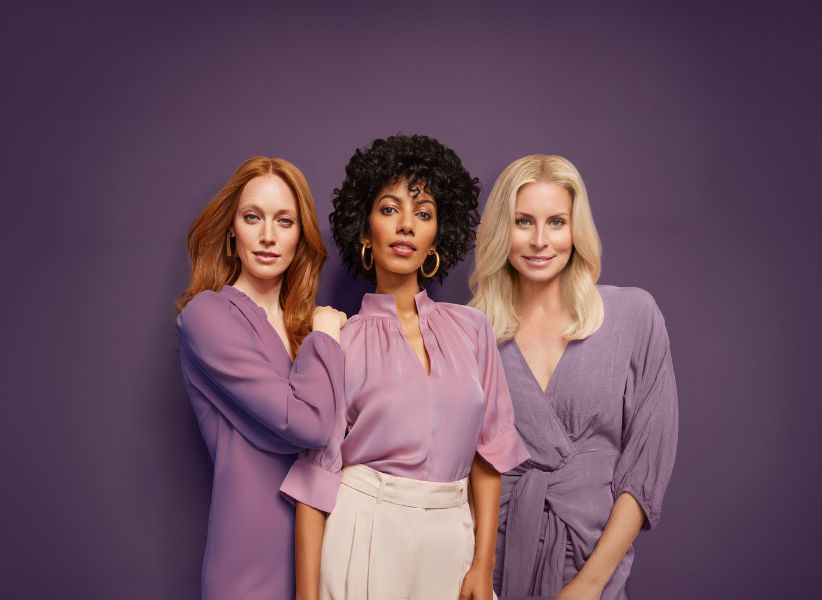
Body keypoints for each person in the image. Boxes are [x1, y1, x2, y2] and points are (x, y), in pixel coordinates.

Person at [280, 134, 530, 600]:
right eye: (390, 209)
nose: (406, 226)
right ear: (364, 230)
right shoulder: (342, 342)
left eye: (423, 213)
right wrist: (306, 598)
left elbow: (489, 456)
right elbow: (317, 478)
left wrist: (483, 564)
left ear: (438, 234)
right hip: (366, 529)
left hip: (452, 537)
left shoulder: (473, 330)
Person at [470, 154, 679, 600]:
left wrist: (589, 583)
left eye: (556, 222)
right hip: (491, 564)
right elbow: (462, 467)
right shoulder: (473, 331)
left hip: (592, 561)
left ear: (575, 230)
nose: (540, 241)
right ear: (500, 233)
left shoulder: (633, 317)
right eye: (523, 221)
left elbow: (645, 471)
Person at [176, 156, 347, 599]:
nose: (268, 236)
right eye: (253, 217)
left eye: (284, 221)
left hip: (329, 548)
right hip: (250, 558)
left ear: (300, 236)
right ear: (232, 228)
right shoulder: (208, 317)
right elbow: (306, 425)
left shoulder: (306, 326)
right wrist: (325, 339)